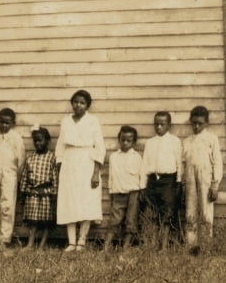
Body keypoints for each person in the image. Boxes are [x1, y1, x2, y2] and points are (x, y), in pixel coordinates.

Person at [55, 89, 105, 251]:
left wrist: (95, 172)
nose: (78, 105)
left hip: (87, 162)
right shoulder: (66, 120)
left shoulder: (93, 121)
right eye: (76, 102)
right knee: (70, 200)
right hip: (69, 162)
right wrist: (60, 165)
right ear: (72, 103)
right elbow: (61, 144)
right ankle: (71, 241)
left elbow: (99, 147)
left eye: (82, 103)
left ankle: (82, 240)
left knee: (86, 200)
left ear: (87, 105)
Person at [181, 105, 222, 253]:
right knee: (190, 212)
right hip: (190, 178)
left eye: (200, 123)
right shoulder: (187, 141)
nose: (196, 126)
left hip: (206, 178)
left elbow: (217, 162)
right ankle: (192, 246)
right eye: (194, 123)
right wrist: (183, 182)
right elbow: (183, 163)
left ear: (206, 123)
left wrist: (215, 184)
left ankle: (206, 246)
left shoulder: (211, 139)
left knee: (205, 212)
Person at [141, 110, 182, 248]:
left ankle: (164, 245)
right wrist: (143, 186)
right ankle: (152, 243)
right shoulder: (150, 142)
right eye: (156, 124)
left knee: (167, 212)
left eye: (162, 124)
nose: (159, 127)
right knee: (152, 211)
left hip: (168, 180)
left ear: (168, 125)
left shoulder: (174, 141)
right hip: (152, 181)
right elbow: (145, 164)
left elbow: (179, 163)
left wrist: (178, 182)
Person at [0, 107, 25, 248]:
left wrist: (17, 178)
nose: (4, 126)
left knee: (7, 206)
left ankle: (4, 239)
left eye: (7, 123)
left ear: (12, 123)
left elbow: (20, 160)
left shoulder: (16, 138)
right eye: (2, 122)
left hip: (10, 176)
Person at [103, 125, 144, 250]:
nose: (125, 143)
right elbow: (111, 177)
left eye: (129, 141)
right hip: (118, 192)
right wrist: (111, 192)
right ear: (119, 139)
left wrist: (141, 191)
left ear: (134, 142)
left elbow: (141, 175)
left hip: (133, 193)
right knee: (114, 220)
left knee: (131, 220)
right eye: (123, 140)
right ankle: (106, 246)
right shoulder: (114, 157)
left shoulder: (137, 157)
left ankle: (125, 247)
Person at [19, 126, 57, 249]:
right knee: (33, 221)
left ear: (48, 141)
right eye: (35, 141)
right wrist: (23, 192)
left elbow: (55, 177)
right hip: (33, 193)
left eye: (40, 140)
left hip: (47, 193)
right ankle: (30, 243)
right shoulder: (30, 158)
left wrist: (55, 194)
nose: (37, 143)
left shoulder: (52, 158)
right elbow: (25, 176)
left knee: (46, 221)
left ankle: (42, 244)